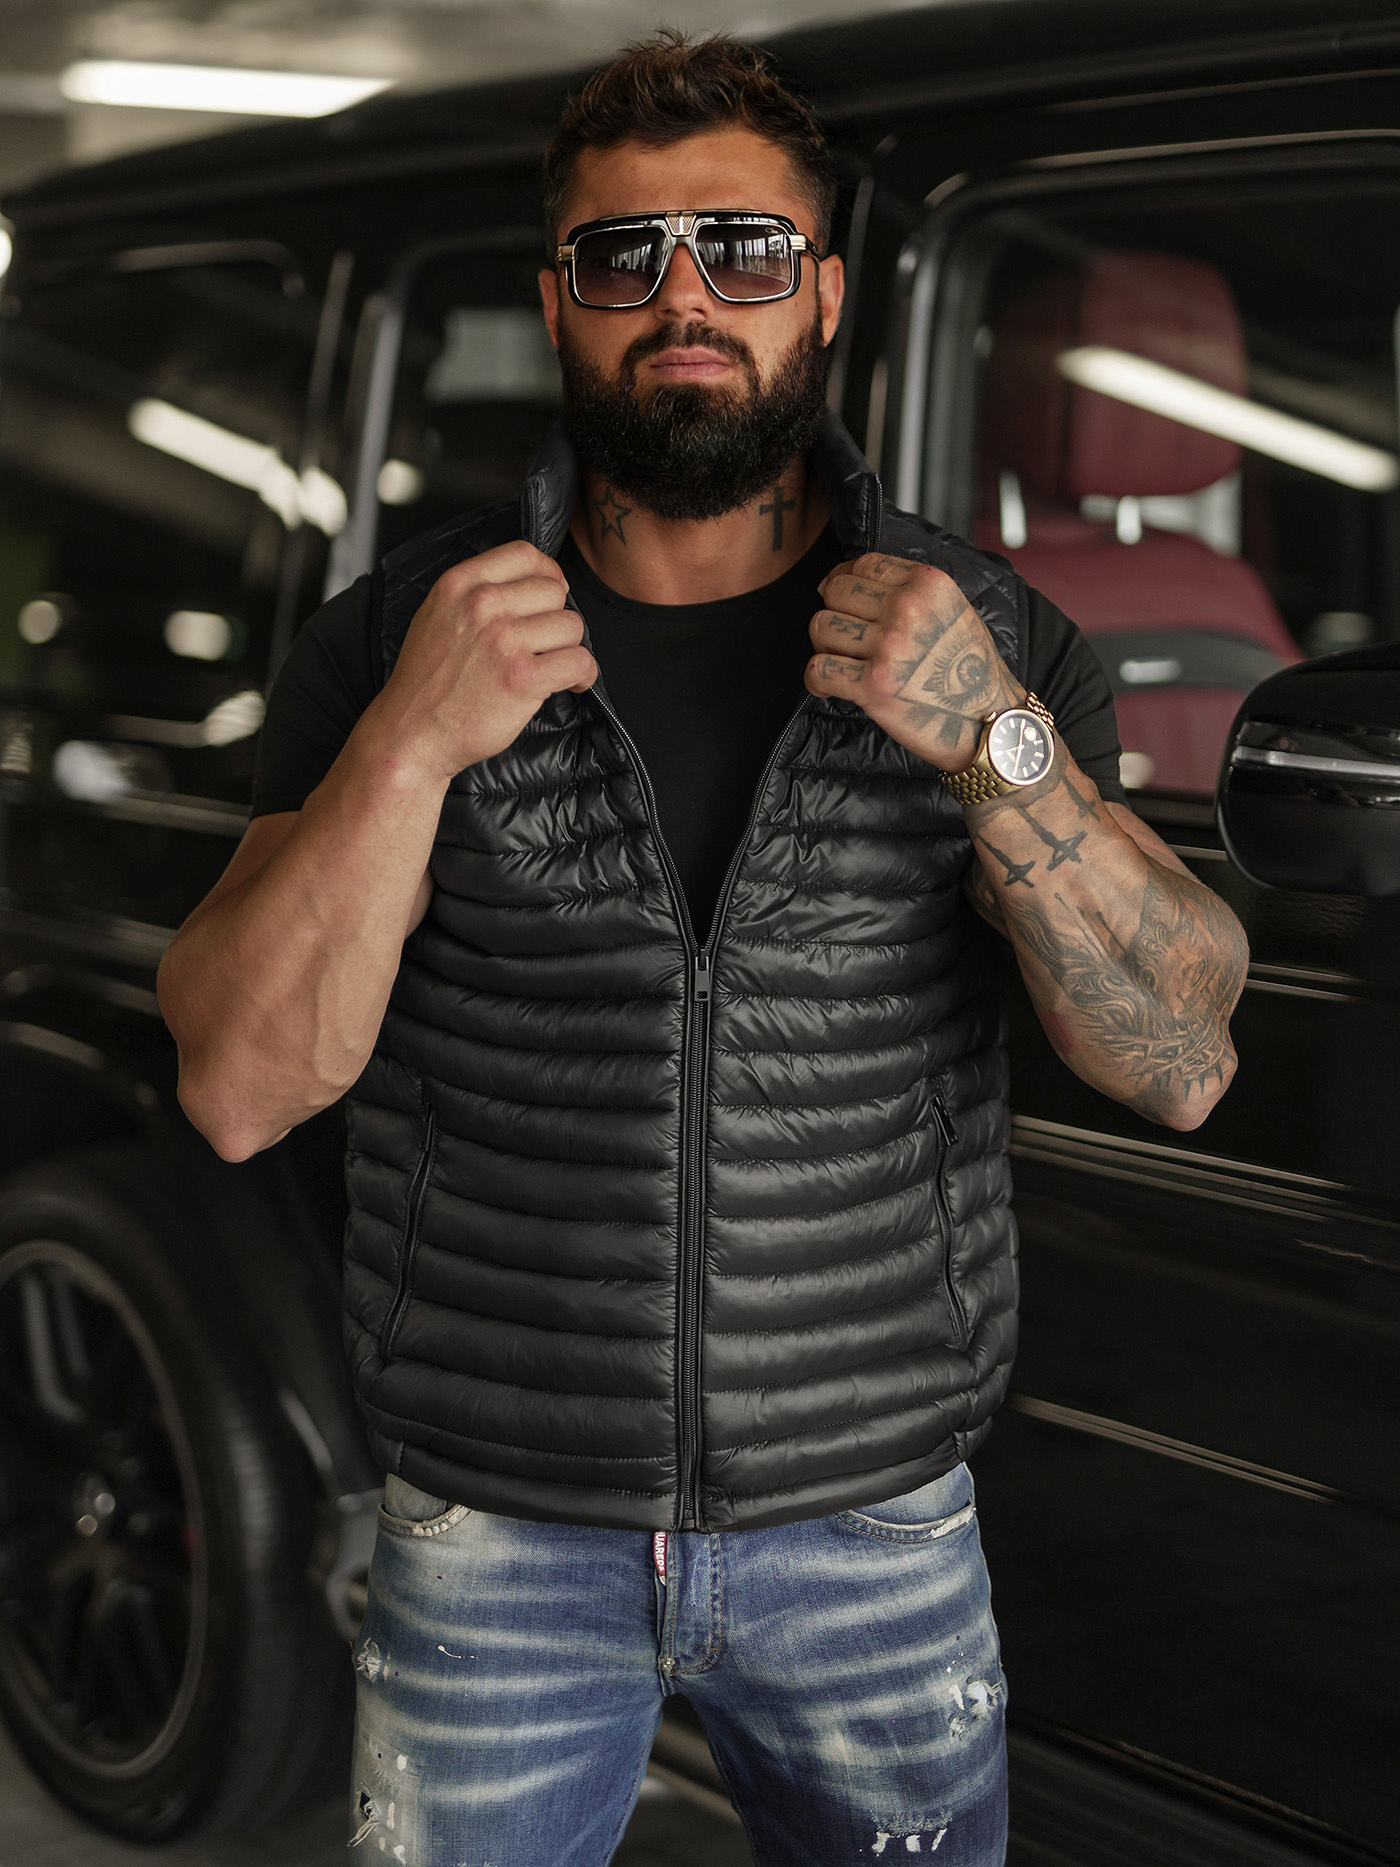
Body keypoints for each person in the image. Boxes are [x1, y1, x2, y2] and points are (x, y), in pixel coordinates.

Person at [157, 30, 1248, 1867]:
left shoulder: (990, 637)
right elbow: (241, 1087)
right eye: (624, 255)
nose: (685, 298)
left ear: (822, 290)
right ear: (556, 304)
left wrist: (994, 739)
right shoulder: (397, 639)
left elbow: (1188, 1058)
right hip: (497, 1531)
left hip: (873, 1528)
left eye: (742, 248)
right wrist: (411, 743)